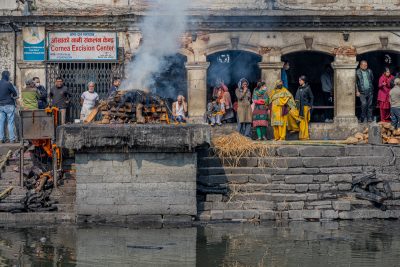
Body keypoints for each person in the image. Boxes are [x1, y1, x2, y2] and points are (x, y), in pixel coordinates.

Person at [0, 71, 17, 143]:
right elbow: (15, 93)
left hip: (1, 105)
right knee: (10, 122)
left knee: (1, 122)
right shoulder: (8, 84)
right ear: (7, 75)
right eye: (9, 75)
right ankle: (12, 139)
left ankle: (1, 138)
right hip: (9, 104)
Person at [295, 75, 314, 140]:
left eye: (300, 80)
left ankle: (305, 136)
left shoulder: (307, 88)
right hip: (299, 107)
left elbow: (311, 97)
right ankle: (301, 136)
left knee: (304, 122)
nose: (299, 81)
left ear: (304, 81)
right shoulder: (299, 88)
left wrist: (310, 106)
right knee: (301, 121)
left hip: (305, 107)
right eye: (299, 80)